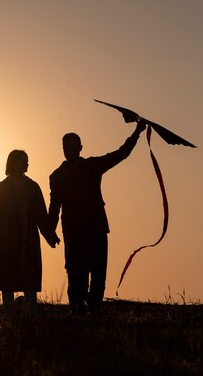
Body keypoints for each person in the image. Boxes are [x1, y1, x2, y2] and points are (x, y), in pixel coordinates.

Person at [48, 121, 147, 316]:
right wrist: (50, 232)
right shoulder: (56, 176)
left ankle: (94, 308)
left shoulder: (92, 166)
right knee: (76, 273)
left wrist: (137, 132)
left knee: (98, 272)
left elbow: (121, 154)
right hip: (73, 231)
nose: (69, 151)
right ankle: (77, 309)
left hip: (96, 228)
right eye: (65, 147)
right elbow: (54, 206)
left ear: (80, 148)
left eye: (72, 147)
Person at [0, 150, 60, 317]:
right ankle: (8, 315)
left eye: (27, 161)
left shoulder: (32, 187)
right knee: (7, 279)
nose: (27, 164)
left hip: (28, 240)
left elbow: (41, 214)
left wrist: (49, 234)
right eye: (24, 161)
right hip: (6, 241)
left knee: (30, 279)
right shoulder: (2, 187)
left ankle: (32, 314)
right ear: (13, 163)